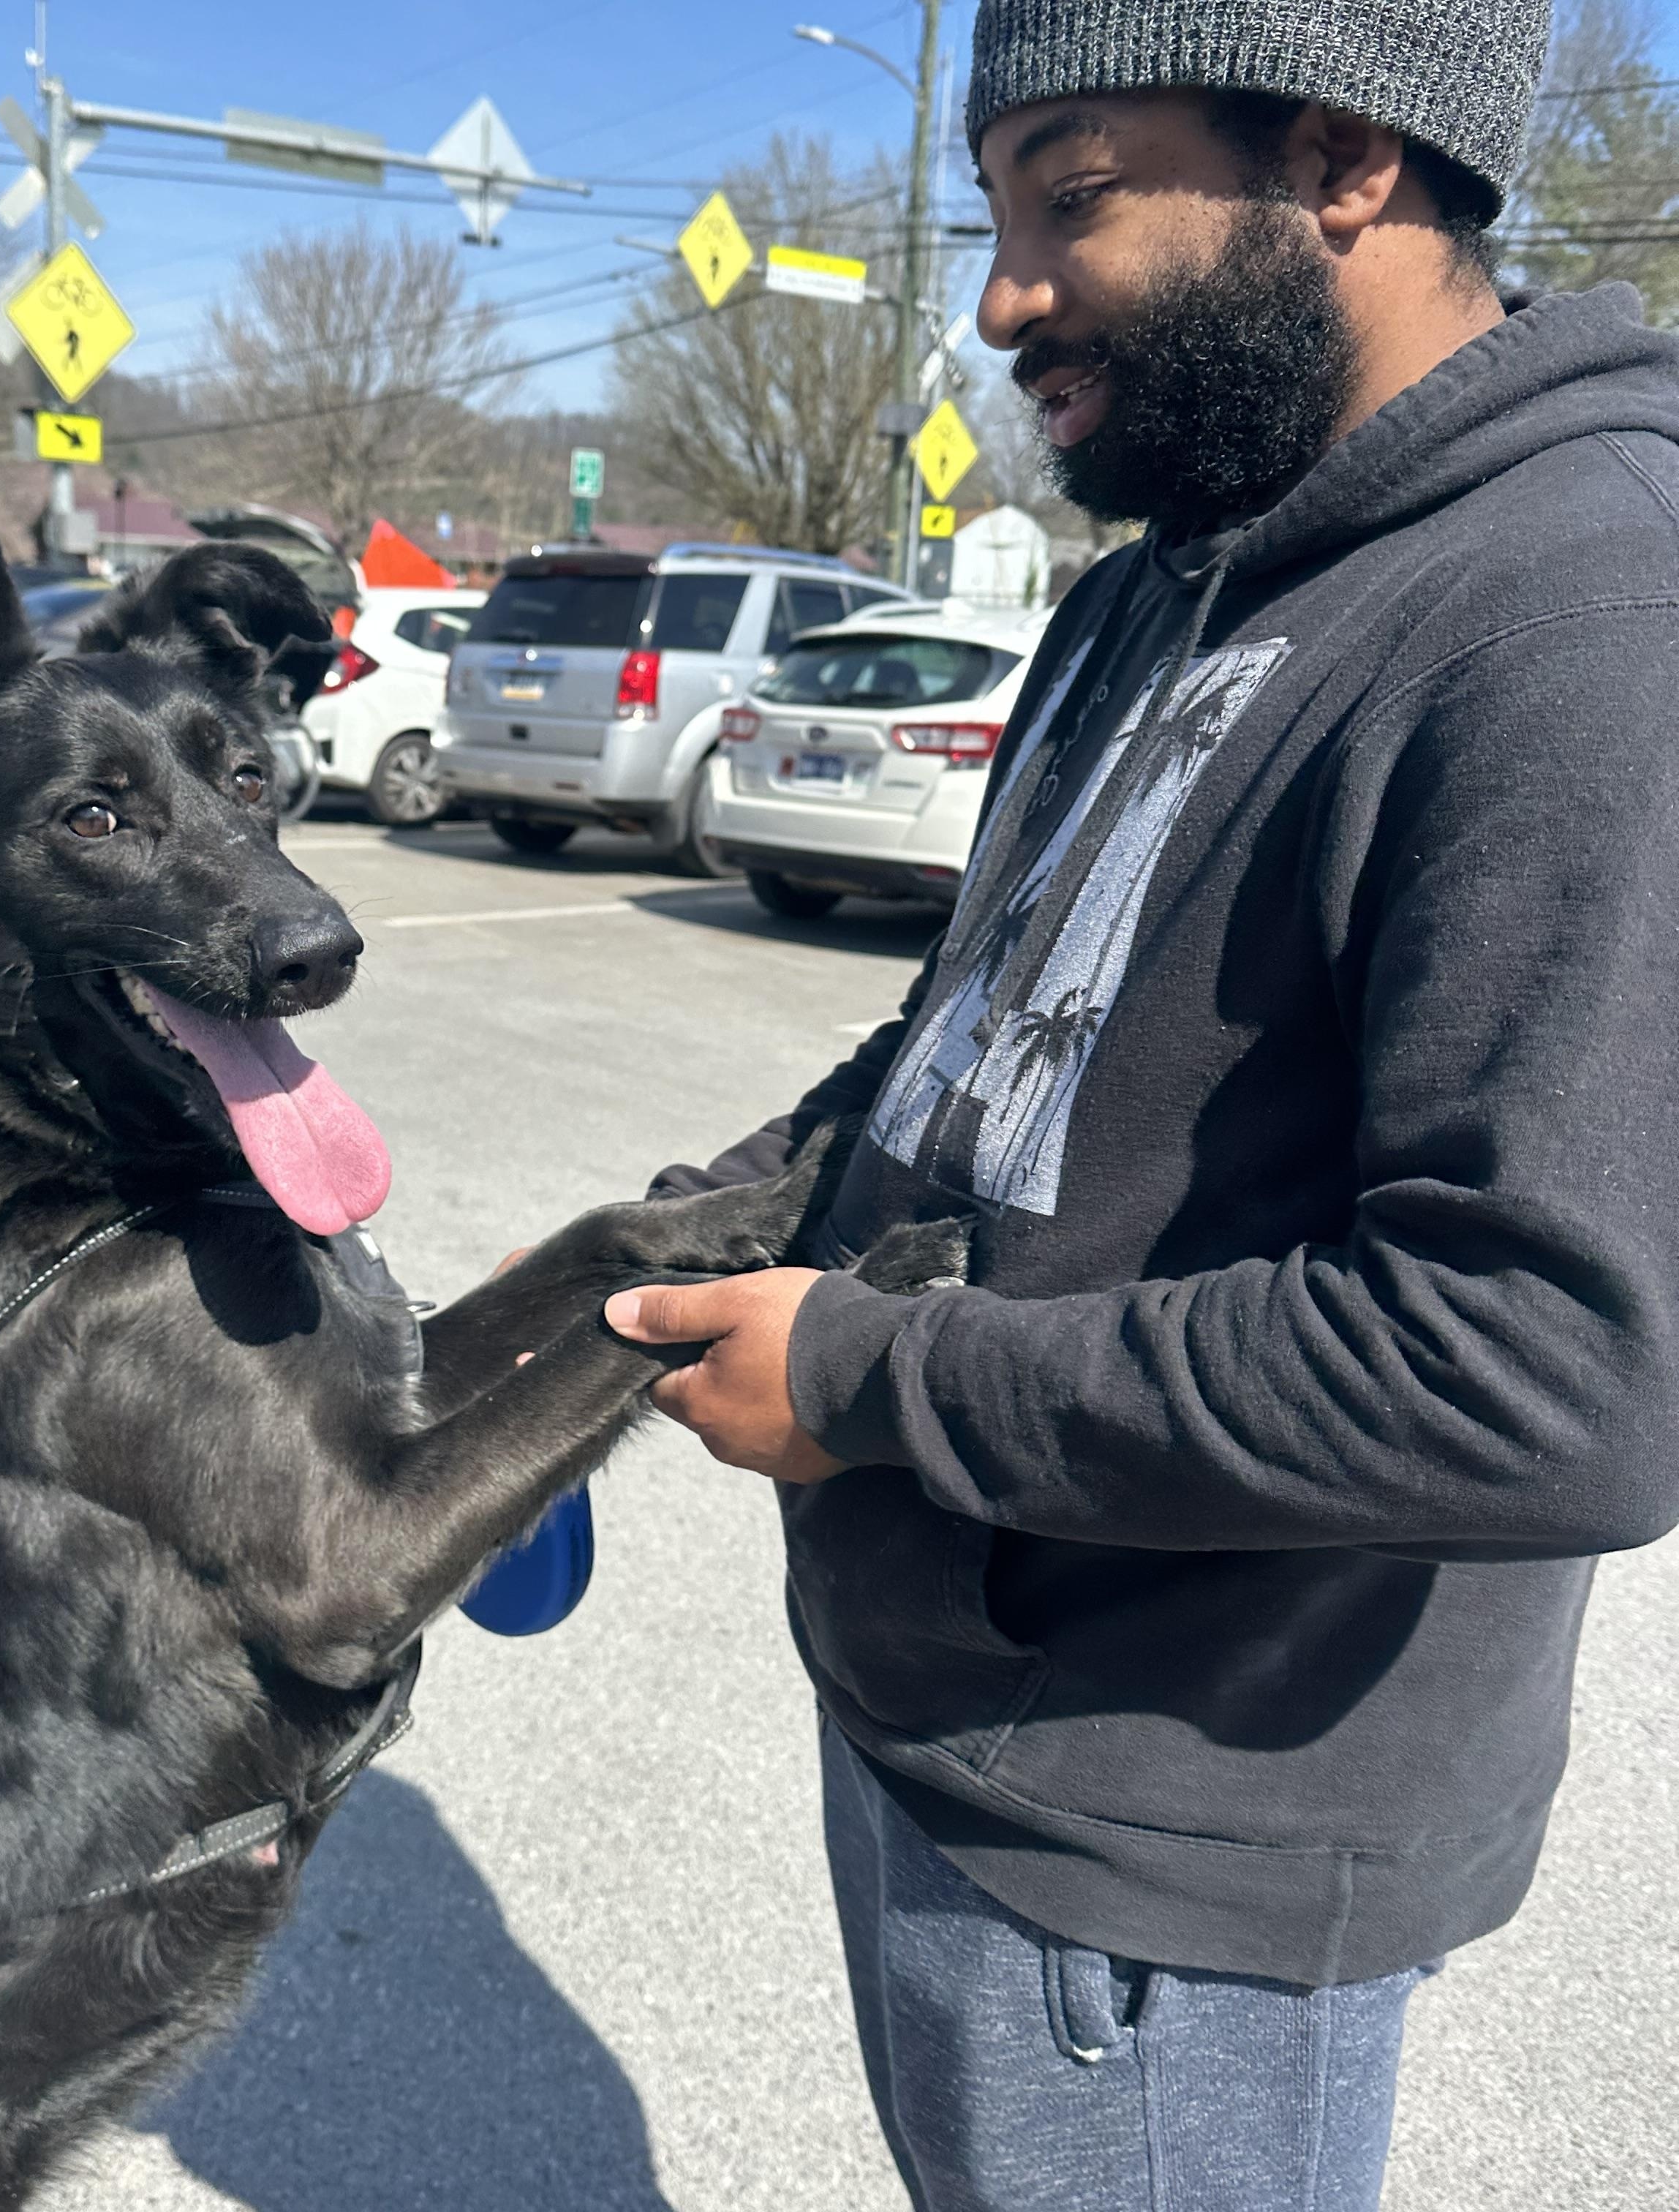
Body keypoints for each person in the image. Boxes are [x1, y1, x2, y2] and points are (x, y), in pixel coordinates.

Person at [600, 1, 1679, 2203]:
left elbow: (1554, 1373)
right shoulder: (1143, 593)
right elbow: (978, 1040)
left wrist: (871, 1381)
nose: (1001, 299)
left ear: (1346, 156)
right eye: (989, 215)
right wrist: (708, 1224)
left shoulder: (1585, 605)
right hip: (947, 1717)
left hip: (1179, 1859)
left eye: (1074, 198)